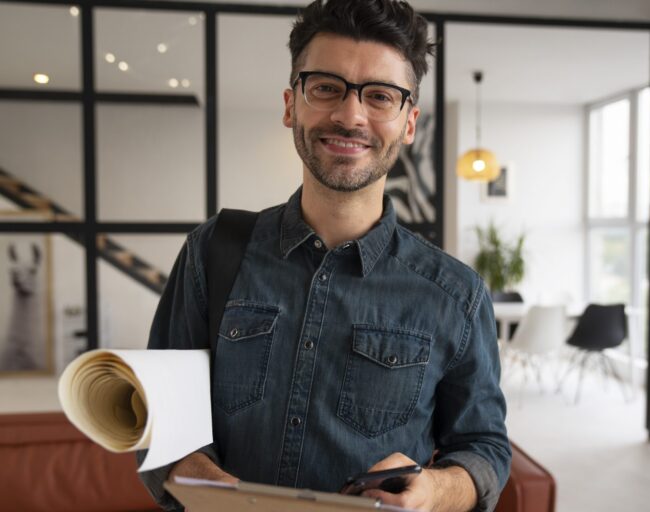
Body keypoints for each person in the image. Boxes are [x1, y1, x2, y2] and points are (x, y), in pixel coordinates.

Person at [138, 1, 511, 510]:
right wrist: (214, 488)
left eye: (380, 96)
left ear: (408, 123)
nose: (350, 115)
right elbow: (162, 419)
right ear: (292, 104)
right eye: (326, 88)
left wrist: (436, 492)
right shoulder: (213, 251)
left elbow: (484, 447)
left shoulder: (456, 294)